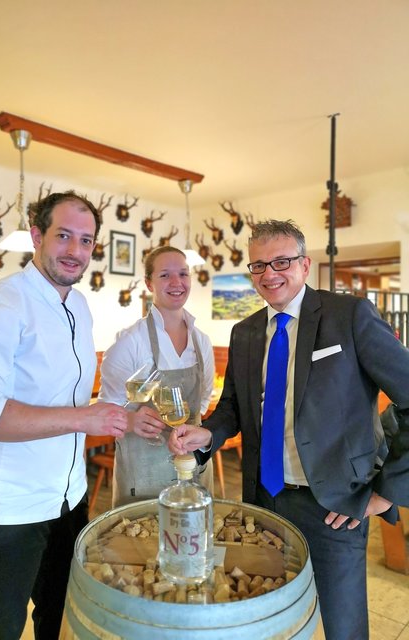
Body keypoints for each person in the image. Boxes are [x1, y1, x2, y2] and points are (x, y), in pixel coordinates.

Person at [169, 219, 409, 640]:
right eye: (258, 266)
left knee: (342, 626)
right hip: (264, 501)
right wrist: (208, 434)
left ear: (305, 264)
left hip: (334, 505)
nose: (270, 274)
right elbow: (234, 408)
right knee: (269, 615)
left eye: (281, 261)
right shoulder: (244, 333)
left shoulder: (348, 316)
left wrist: (387, 492)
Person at [0, 191, 128, 640]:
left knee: (61, 614)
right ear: (36, 236)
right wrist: (84, 418)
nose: (75, 250)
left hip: (66, 499)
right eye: (63, 236)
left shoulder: (78, 306)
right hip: (2, 508)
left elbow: (61, 390)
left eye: (86, 241)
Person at [99, 245, 215, 507]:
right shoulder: (130, 342)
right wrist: (129, 421)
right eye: (165, 275)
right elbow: (106, 409)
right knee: (140, 545)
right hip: (143, 472)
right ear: (149, 283)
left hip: (192, 466)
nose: (177, 283)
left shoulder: (201, 341)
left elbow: (205, 400)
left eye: (183, 274)